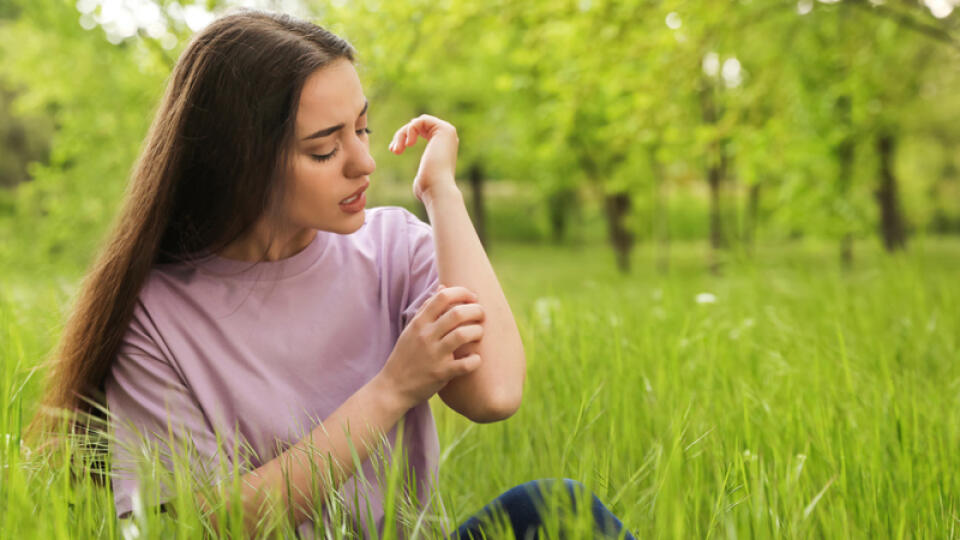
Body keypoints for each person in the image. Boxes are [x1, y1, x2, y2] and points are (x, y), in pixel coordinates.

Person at [34, 9, 635, 539]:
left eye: (363, 128)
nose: (365, 163)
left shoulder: (394, 247)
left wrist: (442, 195)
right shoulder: (154, 317)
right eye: (325, 150)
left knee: (555, 508)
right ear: (240, 164)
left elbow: (495, 394)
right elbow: (197, 528)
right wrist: (391, 389)